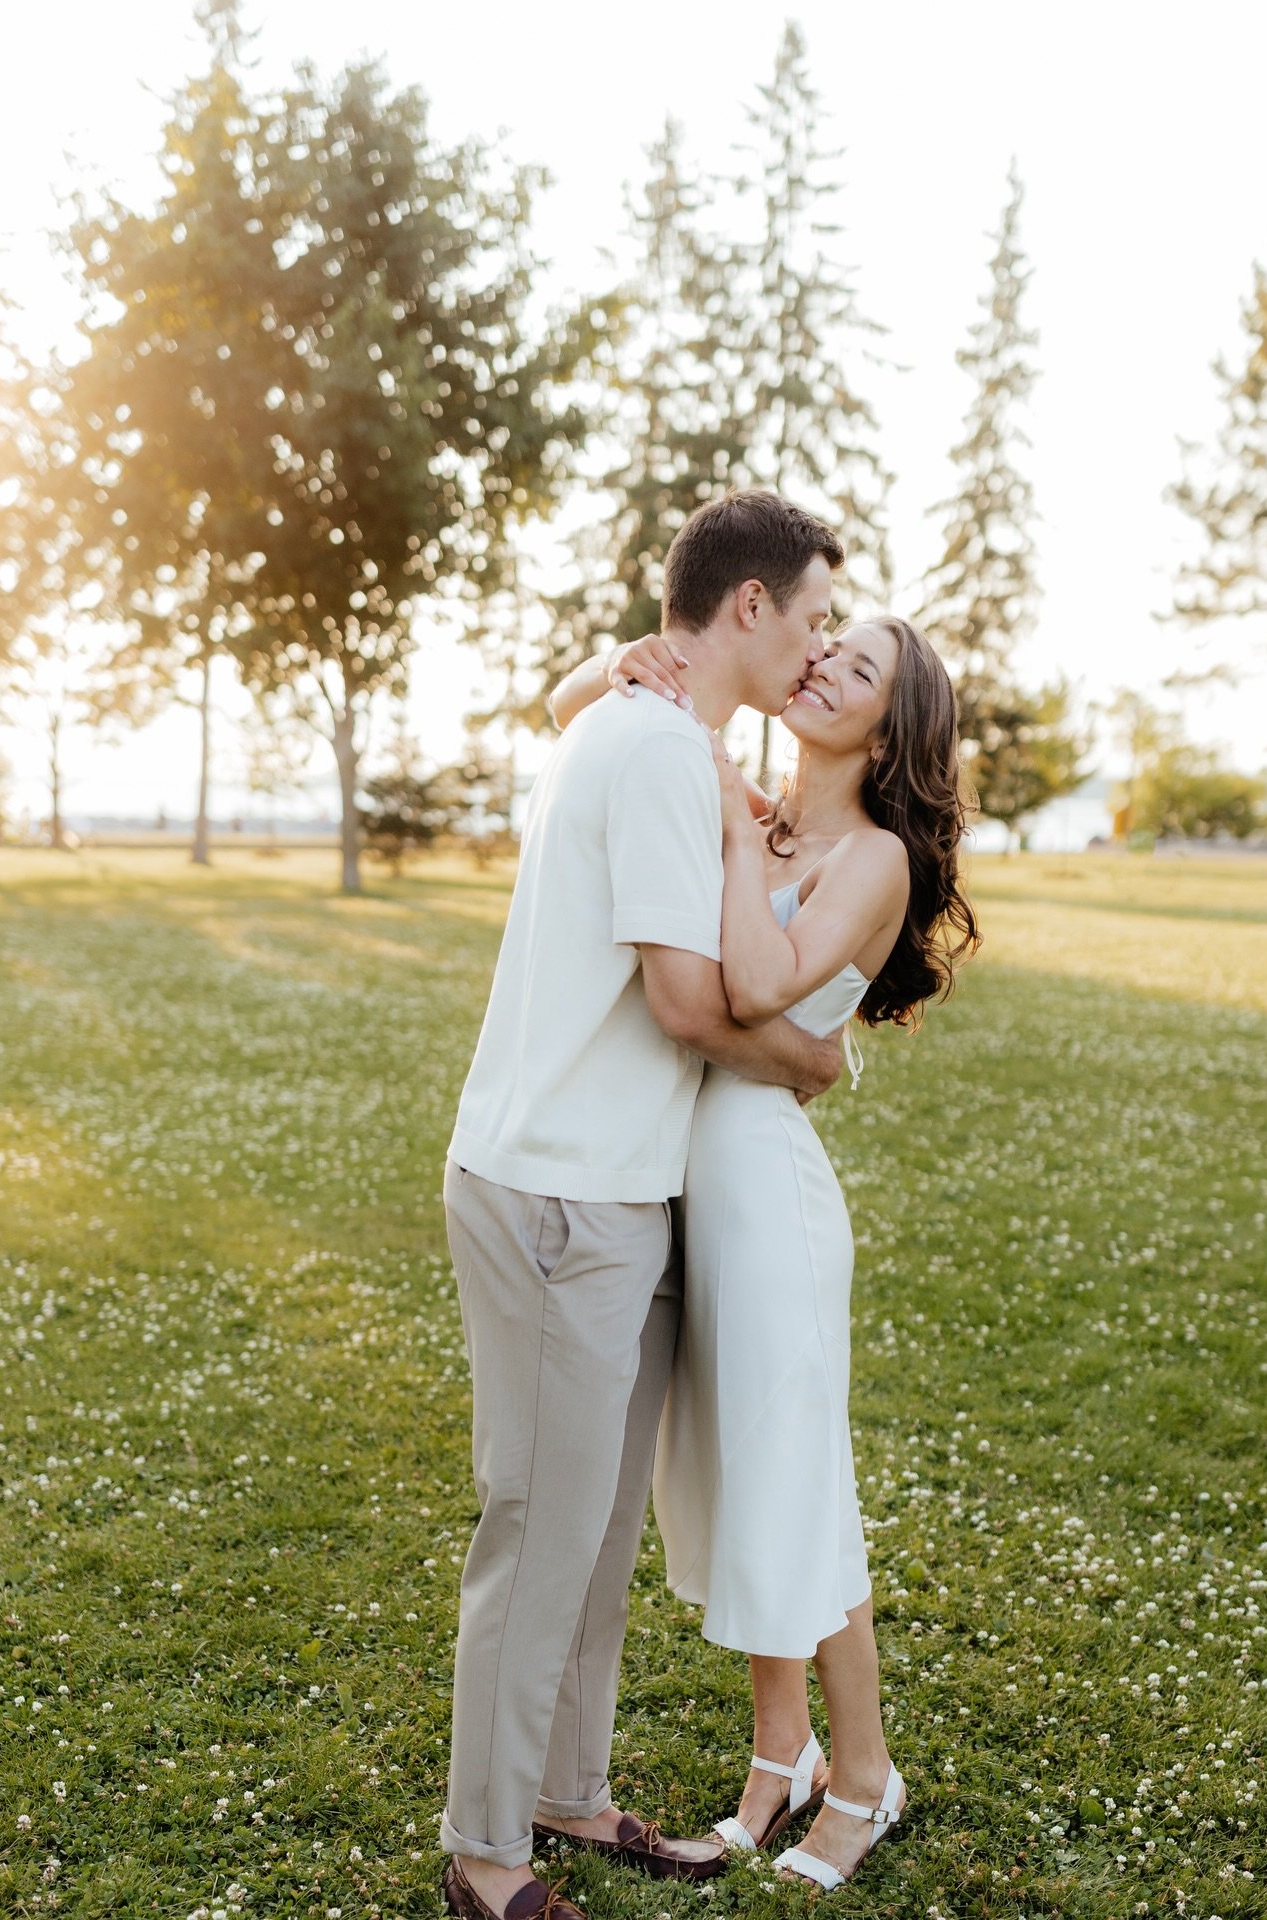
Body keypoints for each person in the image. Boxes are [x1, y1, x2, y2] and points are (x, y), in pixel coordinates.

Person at [438, 491, 850, 1920]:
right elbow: (685, 1001)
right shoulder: (661, 748)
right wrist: (808, 1060)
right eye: (810, 619)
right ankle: (489, 1854)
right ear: (750, 608)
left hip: (614, 1191)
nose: (817, 649)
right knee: (541, 1528)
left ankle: (567, 1792)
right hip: (560, 1196)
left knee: (597, 1528)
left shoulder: (642, 729)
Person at [557, 611, 978, 1890]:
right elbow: (569, 716)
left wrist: (741, 836)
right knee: (747, 1476)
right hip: (698, 1179)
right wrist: (619, 659)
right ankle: (778, 1751)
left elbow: (756, 983)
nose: (826, 667)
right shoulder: (759, 808)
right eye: (829, 646)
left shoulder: (877, 855)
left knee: (803, 1483)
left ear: (892, 727)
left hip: (772, 1197)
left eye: (863, 671)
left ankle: (863, 1779)